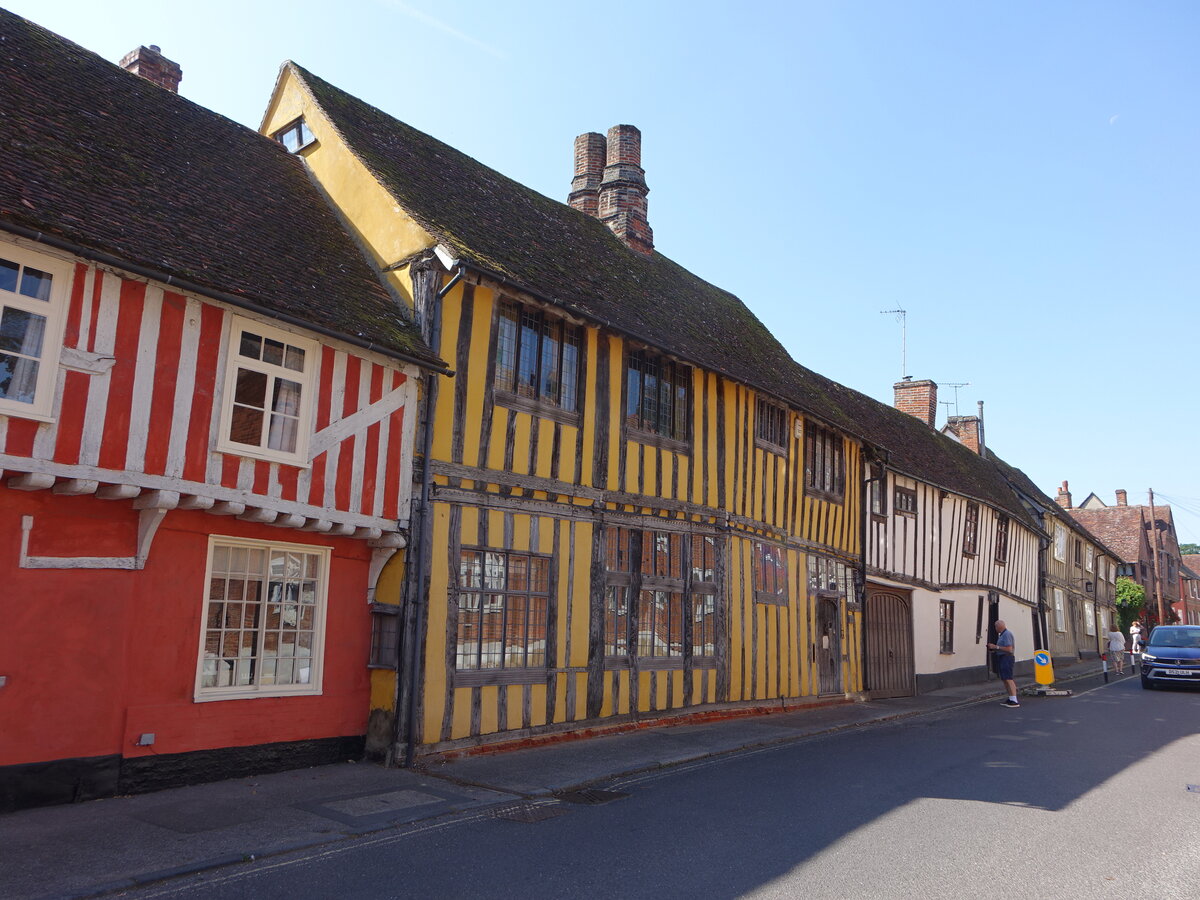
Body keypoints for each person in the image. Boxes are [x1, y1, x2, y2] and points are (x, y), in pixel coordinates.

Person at [986, 619, 1019, 708]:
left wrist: (995, 646)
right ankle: (1011, 698)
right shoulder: (1003, 635)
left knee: (1008, 678)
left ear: (998, 626)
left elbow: (1009, 649)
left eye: (995, 627)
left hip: (1007, 658)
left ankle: (1014, 700)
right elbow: (1003, 648)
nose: (995, 629)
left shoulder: (1007, 634)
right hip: (1003, 657)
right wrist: (995, 650)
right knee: (1005, 678)